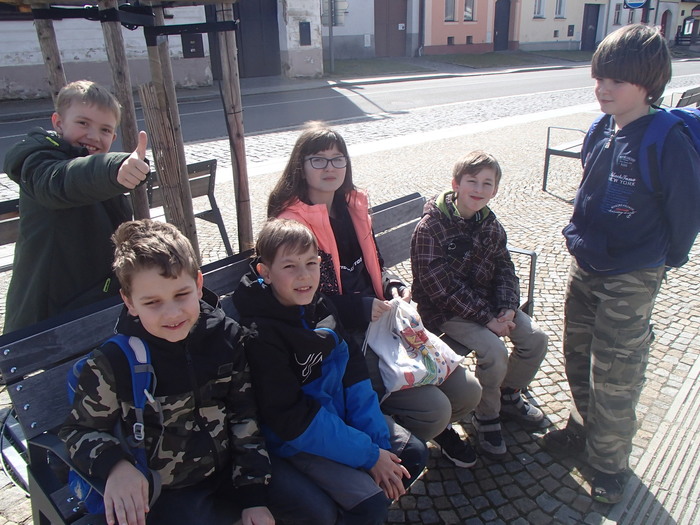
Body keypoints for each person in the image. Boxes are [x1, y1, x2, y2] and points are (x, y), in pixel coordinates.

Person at [541, 24, 700, 504]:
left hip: (632, 273)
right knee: (577, 353)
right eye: (599, 78)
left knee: (616, 371)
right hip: (587, 262)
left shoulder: (667, 140)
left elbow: (686, 210)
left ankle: (609, 464)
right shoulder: (600, 129)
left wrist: (662, 261)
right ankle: (581, 428)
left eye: (616, 80)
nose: (603, 88)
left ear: (648, 83)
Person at [267, 121, 482, 468]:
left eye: (338, 159)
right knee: (436, 410)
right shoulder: (291, 223)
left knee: (468, 391)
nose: (330, 167)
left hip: (384, 324)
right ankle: (400, 440)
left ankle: (423, 425)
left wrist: (391, 283)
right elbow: (302, 300)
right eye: (318, 160)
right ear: (300, 166)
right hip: (344, 341)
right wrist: (358, 306)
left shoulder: (350, 207)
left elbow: (372, 263)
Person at [60, 219, 274, 525]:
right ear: (129, 302)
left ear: (198, 284)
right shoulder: (114, 363)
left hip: (233, 474)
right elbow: (78, 431)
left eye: (181, 295)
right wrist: (115, 466)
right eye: (152, 302)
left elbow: (244, 415)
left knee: (310, 510)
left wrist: (253, 495)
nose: (172, 313)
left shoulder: (226, 336)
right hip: (168, 493)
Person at [233, 218, 427, 525]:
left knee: (412, 454)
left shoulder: (321, 304)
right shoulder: (261, 335)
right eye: (289, 266)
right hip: (297, 439)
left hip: (337, 417)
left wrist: (377, 445)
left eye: (311, 263)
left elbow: (354, 374)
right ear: (265, 272)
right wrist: (368, 455)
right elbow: (291, 418)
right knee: (368, 504)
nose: (304, 275)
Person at [410, 150, 548, 461]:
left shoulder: (489, 223)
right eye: (472, 181)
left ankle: (508, 394)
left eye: (487, 183)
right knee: (494, 350)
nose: (479, 189)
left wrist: (508, 307)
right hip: (445, 312)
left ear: (495, 190)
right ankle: (486, 415)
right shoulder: (432, 227)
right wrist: (486, 318)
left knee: (536, 338)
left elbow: (504, 267)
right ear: (456, 184)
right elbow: (440, 288)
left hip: (487, 306)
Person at [3, 80, 149, 334]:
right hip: (45, 317)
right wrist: (113, 167)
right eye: (83, 123)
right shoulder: (40, 162)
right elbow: (63, 180)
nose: (93, 136)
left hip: (93, 308)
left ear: (113, 137)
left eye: (105, 129)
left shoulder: (101, 179)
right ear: (58, 123)